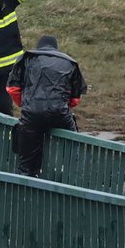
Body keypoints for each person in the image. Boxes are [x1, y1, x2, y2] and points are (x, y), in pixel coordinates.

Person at [6, 35, 86, 177]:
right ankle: (73, 175)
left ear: (39, 47)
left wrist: (25, 104)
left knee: (26, 164)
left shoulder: (27, 58)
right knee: (73, 146)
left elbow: (12, 89)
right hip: (60, 113)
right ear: (56, 48)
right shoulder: (70, 62)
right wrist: (62, 107)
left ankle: (28, 181)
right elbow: (76, 97)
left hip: (31, 112)